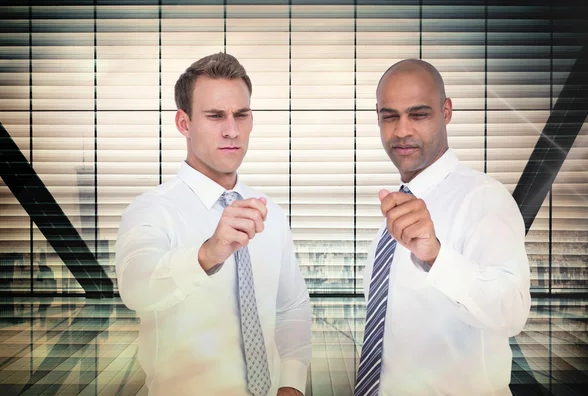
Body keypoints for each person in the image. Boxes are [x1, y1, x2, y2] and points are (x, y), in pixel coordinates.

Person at [115, 52, 312, 396]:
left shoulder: (271, 213)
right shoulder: (152, 209)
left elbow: (290, 306)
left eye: (241, 115)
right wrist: (209, 253)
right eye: (215, 116)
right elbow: (136, 287)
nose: (232, 130)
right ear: (184, 124)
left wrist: (291, 385)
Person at [354, 59, 531, 396]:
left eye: (418, 114)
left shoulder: (483, 198)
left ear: (445, 111)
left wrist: (436, 257)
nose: (402, 130)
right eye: (390, 116)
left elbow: (512, 311)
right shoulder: (394, 214)